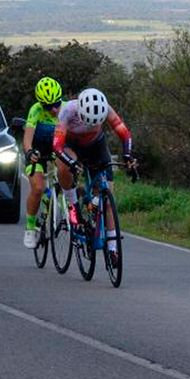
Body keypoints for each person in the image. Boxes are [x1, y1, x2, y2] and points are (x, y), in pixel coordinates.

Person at [53, 87, 137, 264]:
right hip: (71, 146)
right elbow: (57, 146)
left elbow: (124, 132)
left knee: (108, 198)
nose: (90, 125)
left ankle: (113, 250)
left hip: (96, 147)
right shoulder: (68, 110)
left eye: (95, 123)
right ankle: (73, 204)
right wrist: (71, 163)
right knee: (64, 168)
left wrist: (128, 155)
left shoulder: (105, 107)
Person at [22, 77, 64, 248]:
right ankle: (30, 228)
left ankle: (58, 206)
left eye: (57, 103)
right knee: (38, 188)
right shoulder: (36, 110)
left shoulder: (66, 109)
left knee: (66, 176)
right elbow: (27, 139)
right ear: (41, 104)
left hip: (57, 151)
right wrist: (30, 151)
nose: (54, 109)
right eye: (48, 106)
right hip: (38, 153)